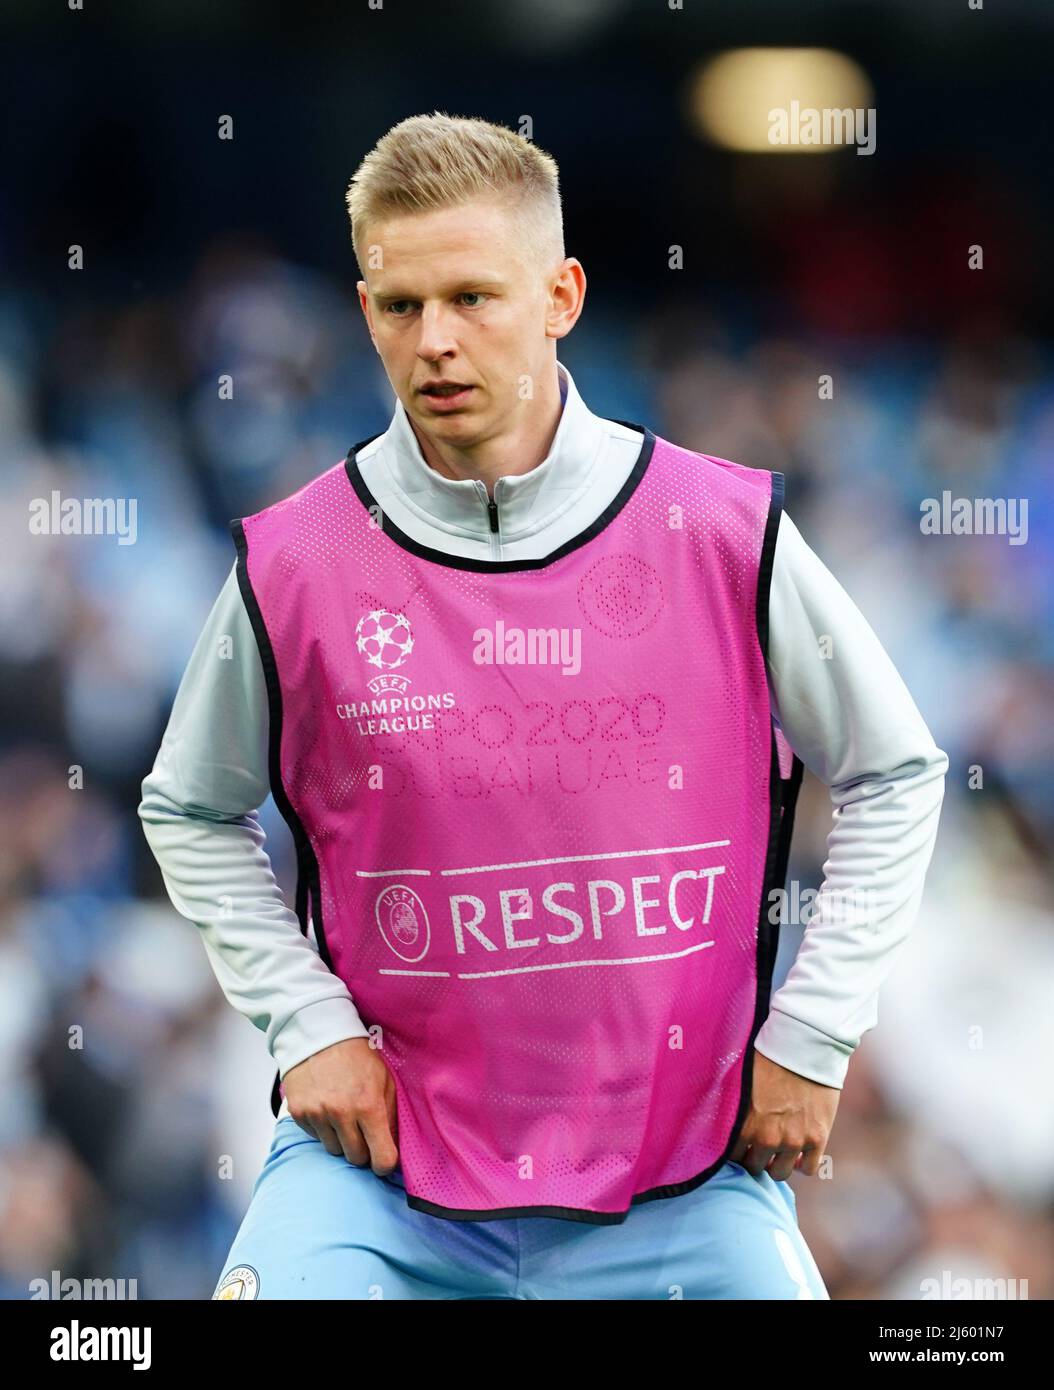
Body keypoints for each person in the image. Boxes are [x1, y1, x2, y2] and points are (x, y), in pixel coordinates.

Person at [139, 112, 947, 1300]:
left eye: (475, 297)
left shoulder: (721, 530)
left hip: (682, 1183)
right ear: (365, 313)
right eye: (402, 306)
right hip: (381, 1185)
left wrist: (812, 1030)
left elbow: (896, 768)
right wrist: (303, 1019)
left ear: (561, 294)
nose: (437, 342)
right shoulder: (296, 561)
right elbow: (188, 808)